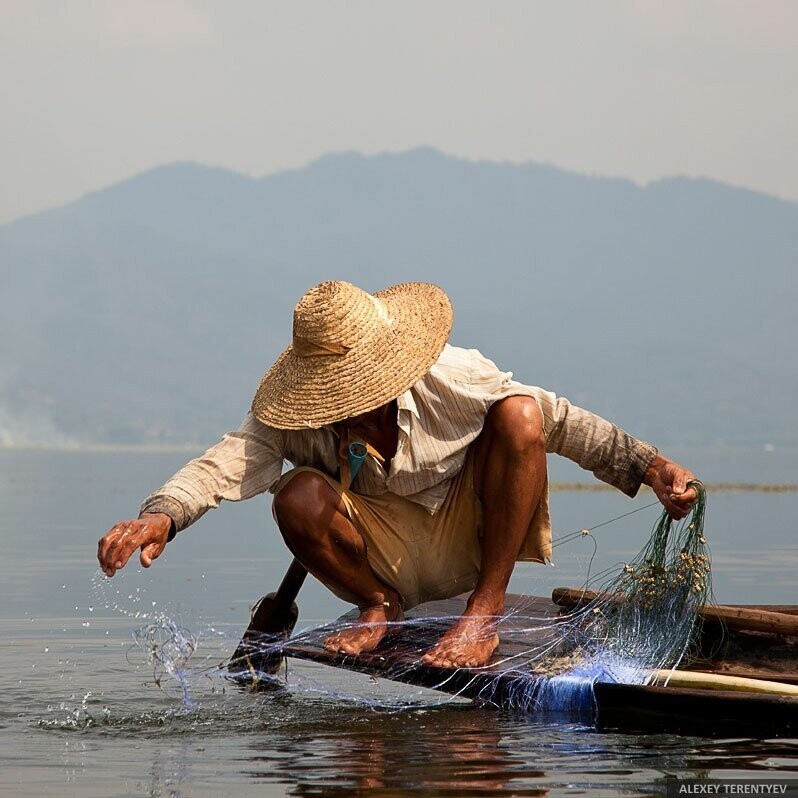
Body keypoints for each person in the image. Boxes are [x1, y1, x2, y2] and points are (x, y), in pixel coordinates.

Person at [97, 281, 697, 669]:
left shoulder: (451, 376)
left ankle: (481, 615)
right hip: (380, 557)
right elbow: (225, 461)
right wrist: (162, 516)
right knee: (296, 495)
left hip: (469, 539)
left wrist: (651, 466)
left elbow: (560, 421)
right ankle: (378, 608)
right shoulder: (297, 416)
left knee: (520, 416)